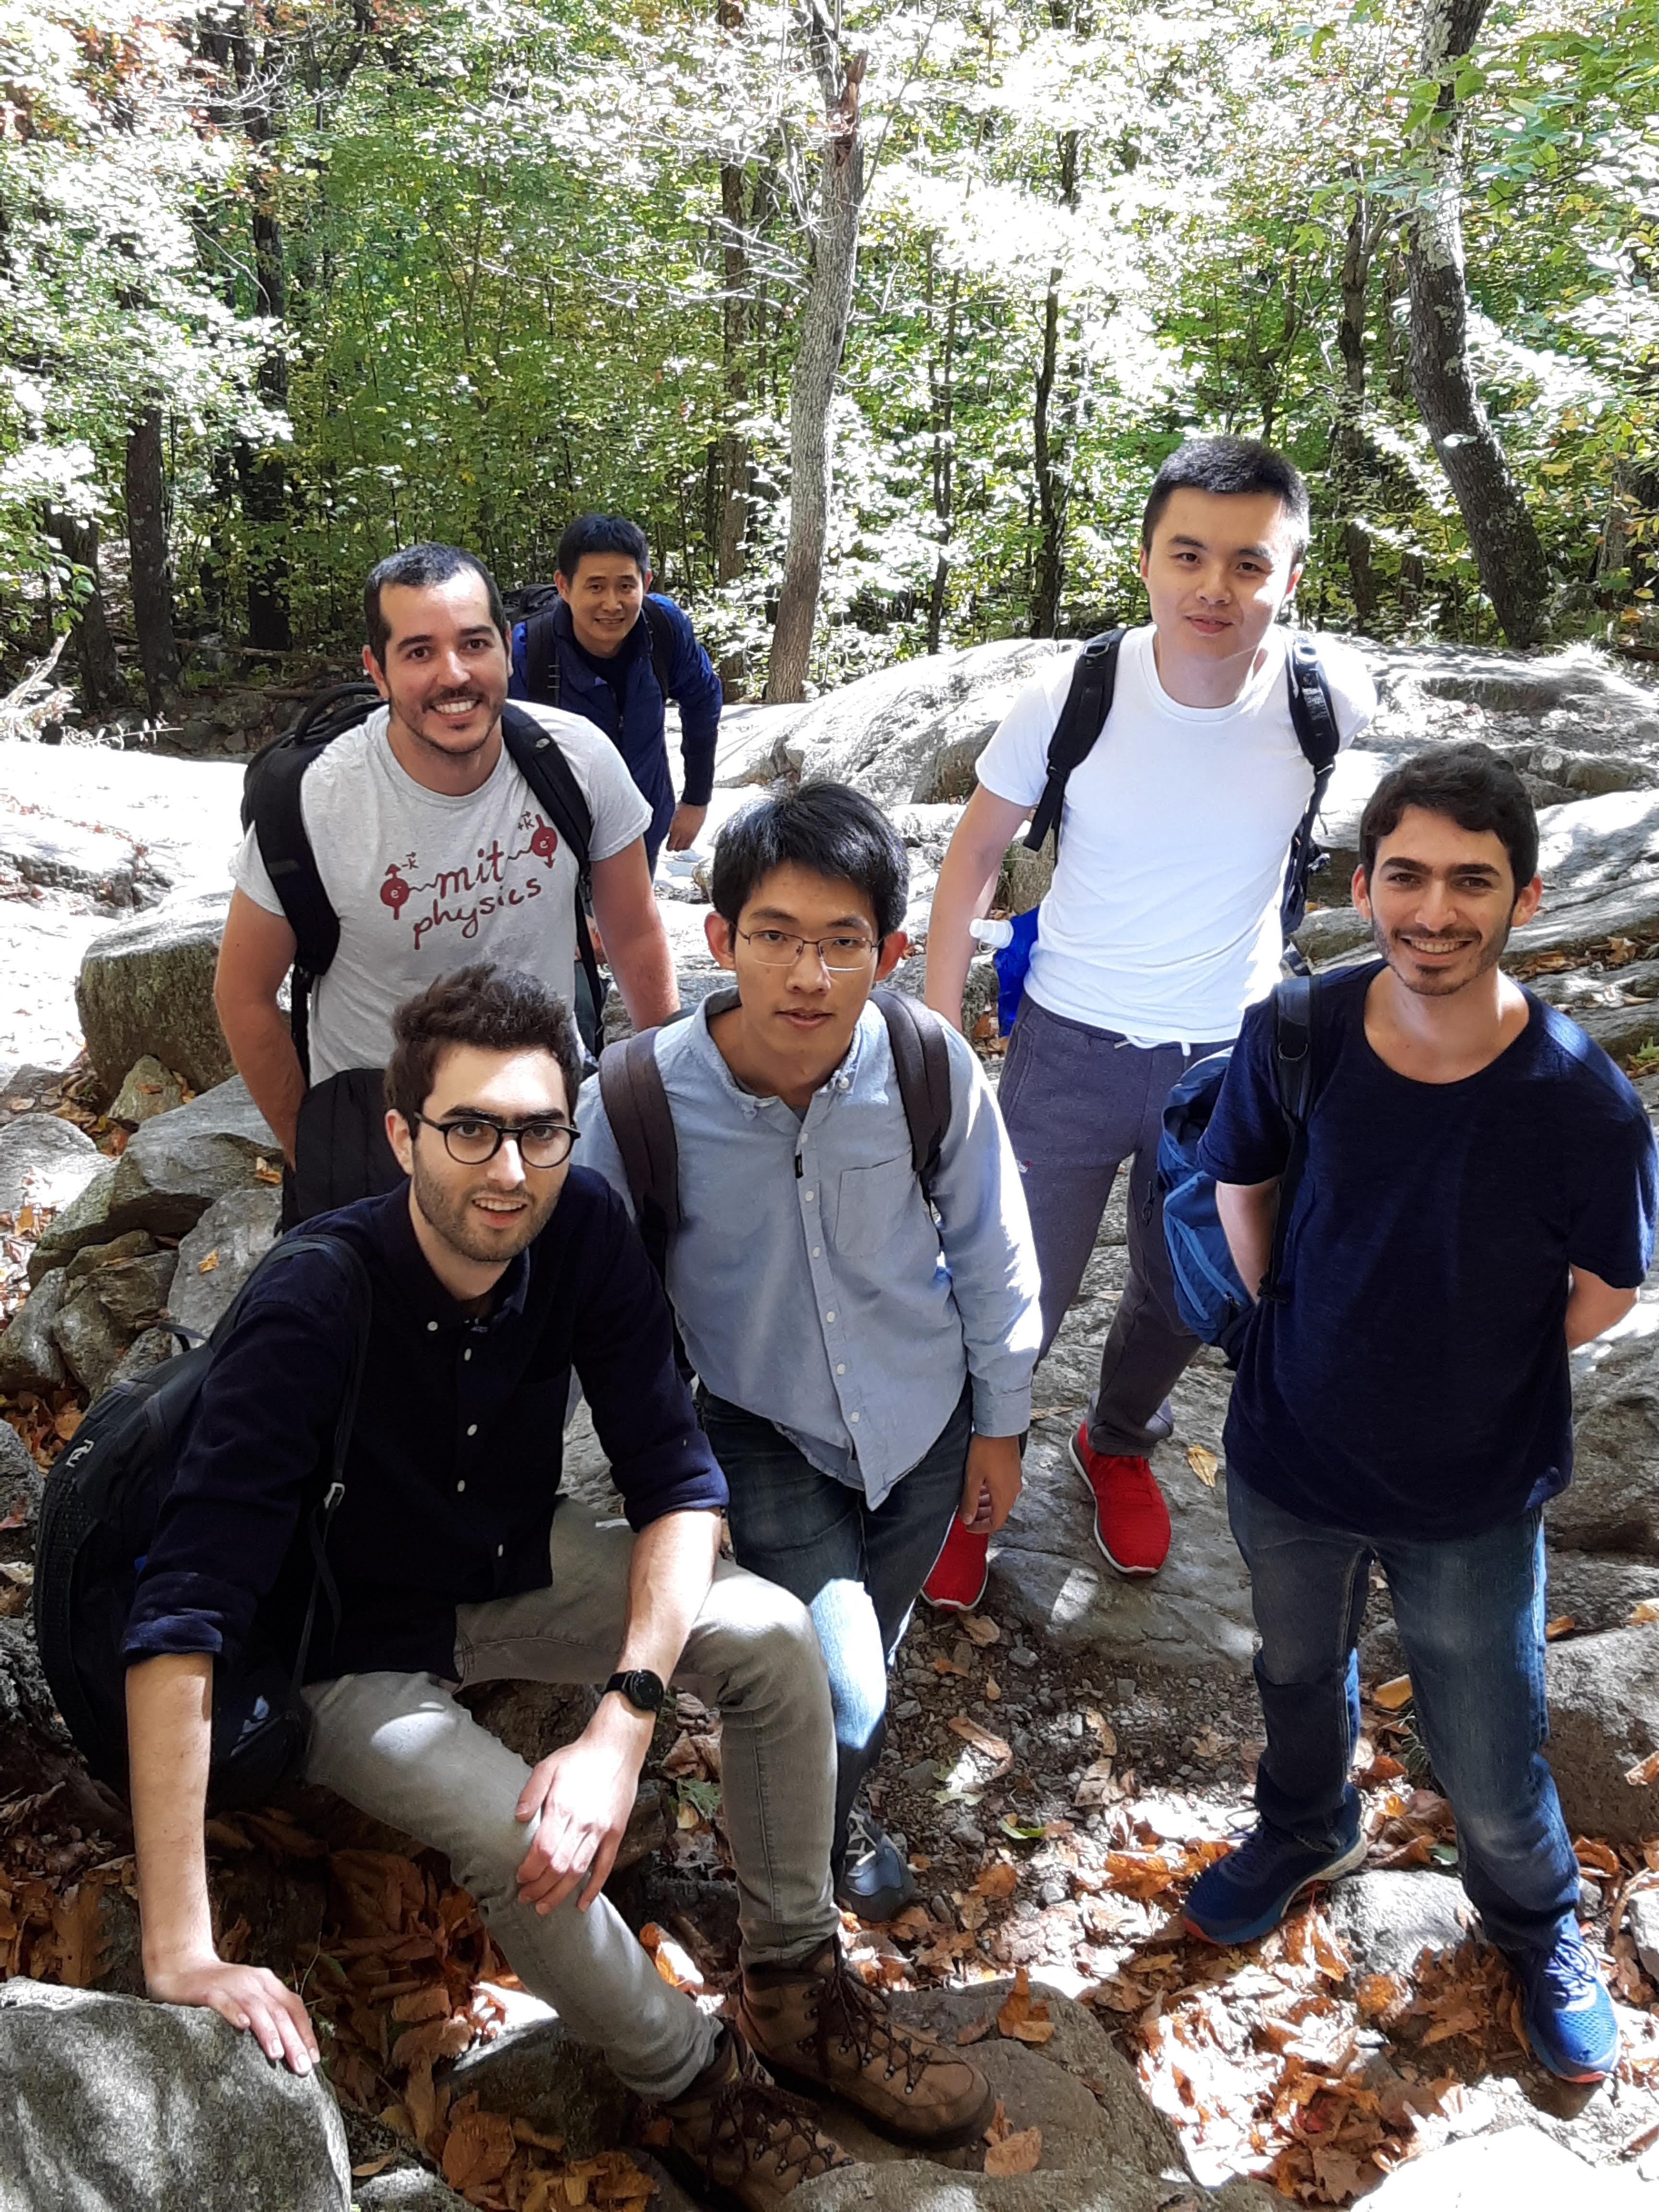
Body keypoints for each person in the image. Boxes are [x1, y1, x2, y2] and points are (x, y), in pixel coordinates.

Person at [122, 965, 992, 2208]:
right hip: (340, 1642)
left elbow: (680, 1489)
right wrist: (178, 1949)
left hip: (506, 1565)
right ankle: (698, 2089)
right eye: (469, 1128)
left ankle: (797, 1990)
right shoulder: (315, 1301)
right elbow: (182, 1616)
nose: (508, 1170)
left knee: (777, 1637)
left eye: (538, 1129)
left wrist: (626, 1719)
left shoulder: (579, 1228)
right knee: (522, 1837)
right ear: (401, 1134)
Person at [1183, 745, 1658, 2084]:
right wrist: (1304, 1316)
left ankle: (1535, 1920)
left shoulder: (1581, 1102)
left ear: (1525, 897)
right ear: (1362, 882)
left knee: (1488, 1739)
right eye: (1407, 875)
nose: (1434, 911)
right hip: (1290, 1455)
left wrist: (1470, 1358)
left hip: (1473, 1491)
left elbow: (1605, 1295)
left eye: (1472, 881)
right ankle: (1304, 1827)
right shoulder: (1303, 1029)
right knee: (1293, 1674)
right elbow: (1244, 1186)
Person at [576, 784, 1042, 1920]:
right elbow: (597, 1304)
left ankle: (825, 1816)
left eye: (841, 944)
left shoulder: (925, 1065)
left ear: (887, 951)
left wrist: (999, 1420)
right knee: (841, 1688)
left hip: (923, 1415)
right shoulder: (639, 1098)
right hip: (759, 1420)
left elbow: (991, 1249)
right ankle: (797, 1870)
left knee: (862, 1652)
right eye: (775, 936)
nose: (806, 976)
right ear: (719, 938)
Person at [922, 436, 1376, 1599]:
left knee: (1184, 1289)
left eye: (1246, 561)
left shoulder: (1326, 702)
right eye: (1187, 555)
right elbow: (974, 853)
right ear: (1143, 561)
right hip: (1067, 1038)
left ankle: (1115, 1440)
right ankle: (982, 1471)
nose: (1212, 587)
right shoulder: (1074, 693)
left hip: (1228, 1050)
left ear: (1289, 570)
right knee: (1016, 1277)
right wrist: (935, 1031)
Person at [216, 543, 678, 1215]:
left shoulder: (576, 762)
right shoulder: (315, 801)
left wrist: (671, 1108)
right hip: (383, 1140)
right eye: (419, 652)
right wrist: (314, 1156)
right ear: (376, 671)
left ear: (507, 651)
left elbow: (633, 933)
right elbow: (243, 992)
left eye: (474, 643)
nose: (453, 674)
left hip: (546, 1118)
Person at [511, 513, 724, 875]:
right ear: (563, 587)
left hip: (643, 828)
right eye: (595, 587)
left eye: (626, 586)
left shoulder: (664, 628)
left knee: (630, 932)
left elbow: (703, 700)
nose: (612, 604)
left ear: (646, 582)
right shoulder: (528, 653)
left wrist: (696, 799)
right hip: (556, 842)